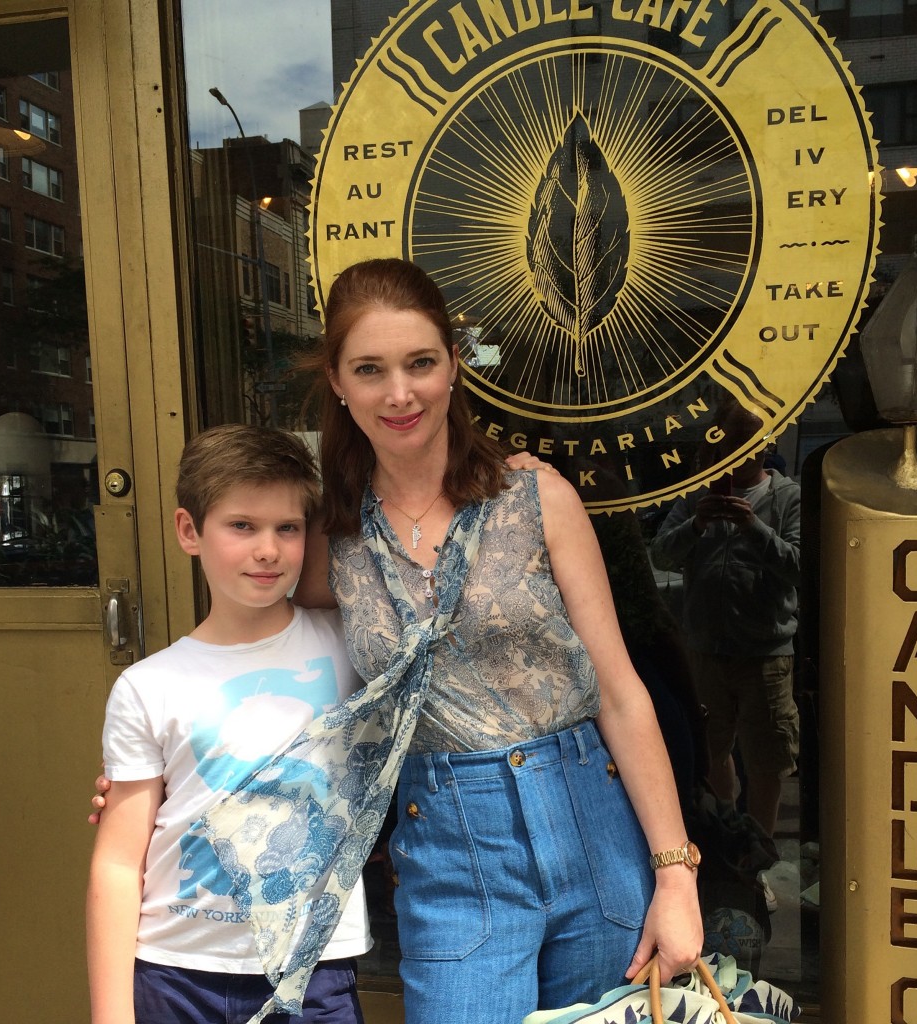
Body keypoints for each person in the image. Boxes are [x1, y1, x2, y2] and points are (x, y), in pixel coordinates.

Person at [285, 257, 702, 1023]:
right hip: (450, 856)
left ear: (453, 366)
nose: (400, 393)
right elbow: (261, 638)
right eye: (370, 369)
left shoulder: (537, 499)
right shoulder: (333, 537)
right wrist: (163, 762)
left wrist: (676, 874)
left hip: (594, 829)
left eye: (420, 363)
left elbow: (618, 688)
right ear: (339, 383)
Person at [86, 425, 371, 1024]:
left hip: (311, 970)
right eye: (242, 526)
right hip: (175, 971)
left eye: (286, 528)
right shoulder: (147, 685)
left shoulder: (352, 649)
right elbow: (118, 861)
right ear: (189, 530)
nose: (267, 549)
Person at [649, 400, 801, 841]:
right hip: (705, 651)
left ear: (766, 443)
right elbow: (661, 555)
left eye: (746, 440)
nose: (737, 450)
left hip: (766, 655)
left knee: (767, 761)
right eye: (729, 439)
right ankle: (732, 843)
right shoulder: (698, 496)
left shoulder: (786, 497)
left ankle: (761, 860)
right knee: (713, 752)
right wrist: (695, 525)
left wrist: (754, 527)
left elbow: (800, 567)